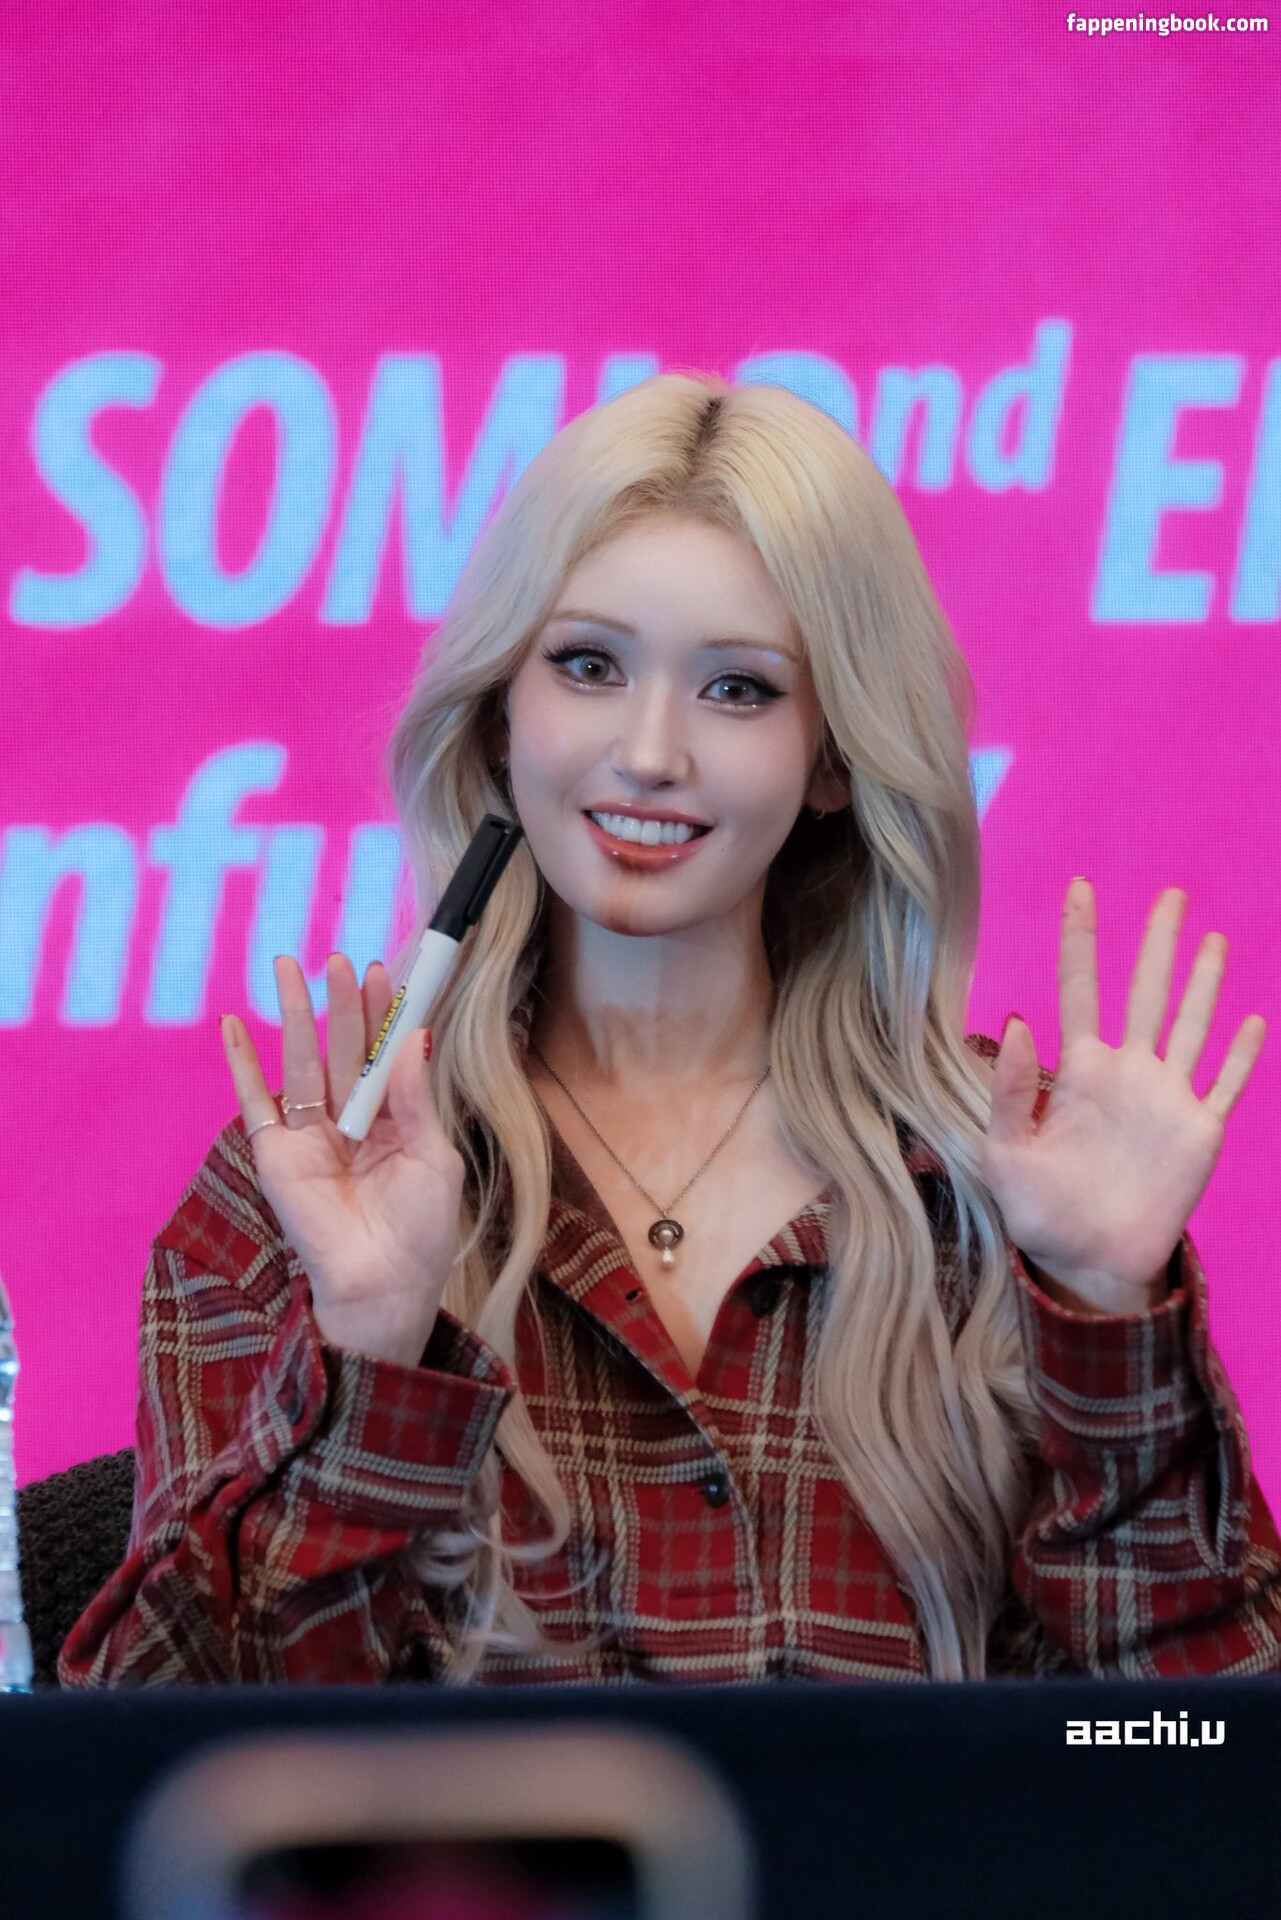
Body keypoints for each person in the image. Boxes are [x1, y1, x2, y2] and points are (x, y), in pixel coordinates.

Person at [61, 373, 1281, 1687]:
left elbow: (1192, 1753)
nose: (648, 752)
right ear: (502, 712)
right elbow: (169, 1765)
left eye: (738, 689)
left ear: (834, 759)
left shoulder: (1001, 1180)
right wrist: (366, 1343)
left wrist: (1105, 1308)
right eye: (587, 666)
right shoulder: (312, 1185)